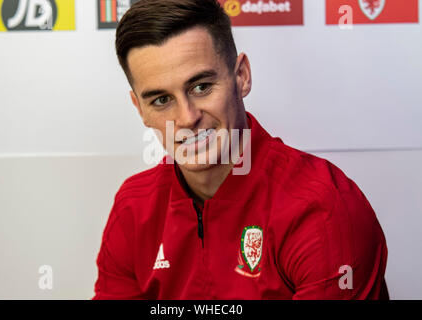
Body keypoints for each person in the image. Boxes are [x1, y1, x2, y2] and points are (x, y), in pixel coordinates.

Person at [92, 0, 389, 299]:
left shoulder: (321, 207)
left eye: (201, 87)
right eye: (161, 100)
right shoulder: (133, 207)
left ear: (241, 76)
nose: (187, 118)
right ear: (140, 109)